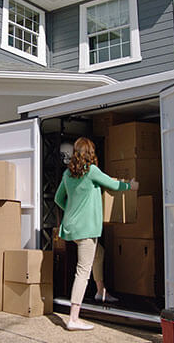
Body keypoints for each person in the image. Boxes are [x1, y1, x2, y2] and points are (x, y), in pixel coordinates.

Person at [54, 137, 138, 331]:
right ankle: (73, 318)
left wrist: (72, 210)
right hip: (86, 229)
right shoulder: (91, 171)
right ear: (90, 153)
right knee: (82, 271)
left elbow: (59, 199)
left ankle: (101, 291)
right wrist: (130, 186)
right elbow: (113, 185)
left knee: (98, 254)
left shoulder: (68, 174)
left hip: (72, 228)